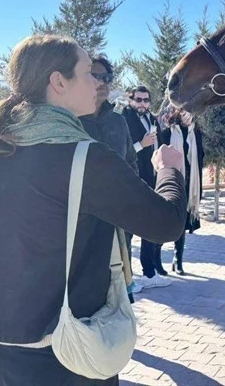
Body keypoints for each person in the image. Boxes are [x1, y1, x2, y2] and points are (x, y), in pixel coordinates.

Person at [0, 34, 187, 386]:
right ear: (58, 82)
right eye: (88, 73)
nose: (98, 84)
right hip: (69, 358)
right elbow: (167, 223)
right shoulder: (85, 158)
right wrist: (169, 168)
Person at [80, 56, 143, 299]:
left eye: (107, 78)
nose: (103, 82)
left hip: (118, 220)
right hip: (81, 223)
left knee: (119, 290)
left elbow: (131, 163)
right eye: (96, 76)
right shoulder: (69, 120)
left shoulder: (118, 121)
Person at [121, 86, 170, 287]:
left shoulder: (151, 118)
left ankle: (149, 273)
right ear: (130, 100)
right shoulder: (123, 119)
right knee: (130, 229)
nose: (142, 104)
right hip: (132, 180)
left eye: (146, 100)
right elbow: (121, 151)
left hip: (152, 179)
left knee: (149, 225)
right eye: (138, 100)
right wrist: (142, 144)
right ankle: (128, 279)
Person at [160, 108, 205, 276]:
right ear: (178, 113)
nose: (188, 116)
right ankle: (156, 259)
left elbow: (200, 158)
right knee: (165, 219)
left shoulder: (196, 133)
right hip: (171, 181)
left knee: (183, 220)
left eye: (191, 113)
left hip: (189, 183)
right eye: (185, 112)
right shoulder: (167, 132)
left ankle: (178, 259)